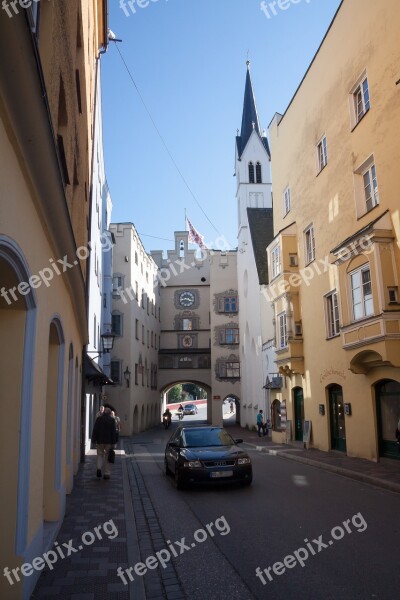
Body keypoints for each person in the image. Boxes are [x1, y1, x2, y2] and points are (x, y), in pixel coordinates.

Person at [91, 407, 117, 480]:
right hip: (109, 441)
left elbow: (95, 430)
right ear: (109, 413)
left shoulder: (99, 419)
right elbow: (113, 432)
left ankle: (99, 468)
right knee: (107, 456)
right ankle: (106, 473)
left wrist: (93, 440)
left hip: (100, 440)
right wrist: (114, 442)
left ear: (103, 412)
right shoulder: (112, 420)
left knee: (100, 455)